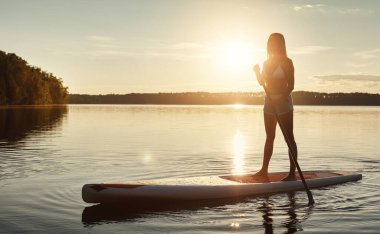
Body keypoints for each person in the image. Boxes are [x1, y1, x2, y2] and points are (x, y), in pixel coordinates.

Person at [253, 33, 297, 181]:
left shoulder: (287, 62)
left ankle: (292, 174)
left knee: (288, 138)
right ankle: (263, 171)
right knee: (269, 137)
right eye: (271, 43)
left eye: (276, 43)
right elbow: (262, 82)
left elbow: (290, 85)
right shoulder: (267, 63)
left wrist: (278, 101)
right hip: (269, 104)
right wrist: (257, 72)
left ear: (281, 44)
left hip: (283, 104)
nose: (273, 46)